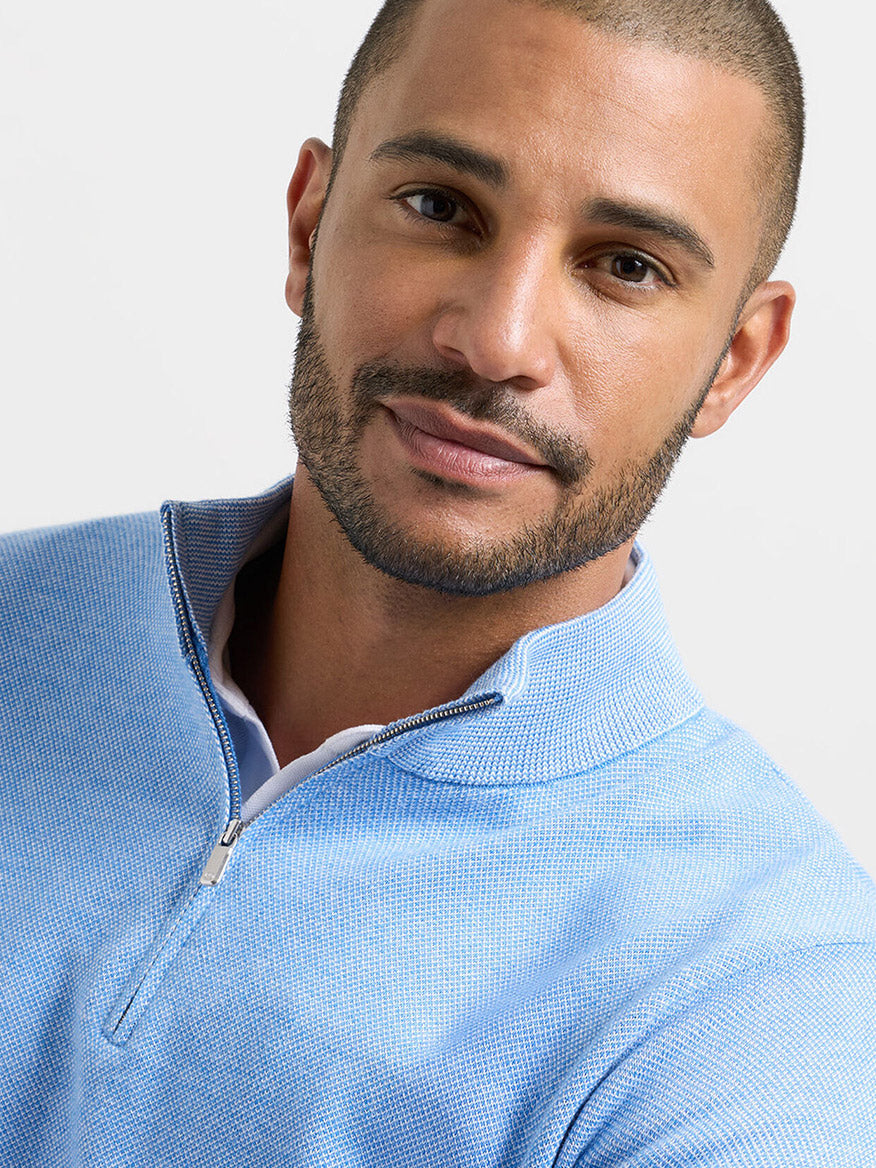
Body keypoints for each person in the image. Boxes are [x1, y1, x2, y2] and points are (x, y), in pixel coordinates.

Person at [1, 0, 874, 1164]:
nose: (497, 339)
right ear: (309, 225)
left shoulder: (764, 1000)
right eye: (440, 207)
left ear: (736, 360)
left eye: (625, 266)